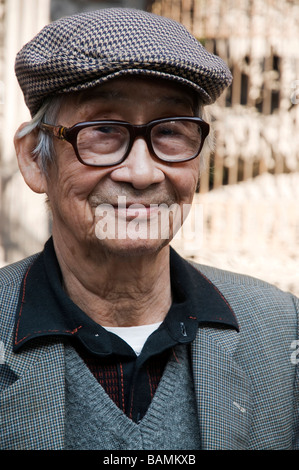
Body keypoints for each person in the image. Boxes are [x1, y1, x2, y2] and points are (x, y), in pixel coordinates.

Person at [0, 8, 298, 451]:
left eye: (171, 132)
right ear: (33, 159)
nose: (141, 173)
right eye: (102, 130)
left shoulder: (280, 331)